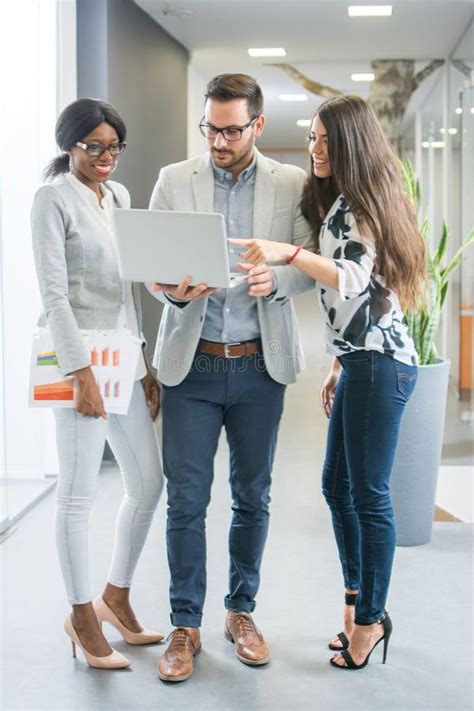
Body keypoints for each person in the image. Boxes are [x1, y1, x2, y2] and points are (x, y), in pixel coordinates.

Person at [232, 94, 426, 671]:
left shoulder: (358, 204)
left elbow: (353, 277)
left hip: (381, 364)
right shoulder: (352, 198)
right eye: (312, 138)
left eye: (324, 139)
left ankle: (369, 621)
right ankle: (356, 604)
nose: (315, 148)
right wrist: (340, 362)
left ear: (349, 143)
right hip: (363, 361)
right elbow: (374, 295)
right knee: (338, 487)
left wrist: (289, 251)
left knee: (367, 495)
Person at [148, 73, 315, 682]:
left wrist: (283, 279)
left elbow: (306, 262)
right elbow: (152, 266)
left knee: (253, 497)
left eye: (231, 129)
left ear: (258, 125)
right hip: (192, 363)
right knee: (186, 502)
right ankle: (184, 624)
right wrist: (171, 289)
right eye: (211, 128)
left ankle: (240, 611)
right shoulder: (175, 179)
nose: (219, 141)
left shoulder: (291, 183)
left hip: (258, 365)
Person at [31, 98, 164, 670]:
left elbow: (130, 287)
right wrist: (79, 370)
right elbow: (54, 294)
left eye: (114, 146)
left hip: (123, 357)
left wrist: (144, 362)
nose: (106, 156)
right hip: (76, 362)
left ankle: (116, 595)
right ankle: (81, 616)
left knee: (148, 482)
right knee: (79, 494)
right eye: (94, 146)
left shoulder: (121, 197)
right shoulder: (51, 199)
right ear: (70, 146)